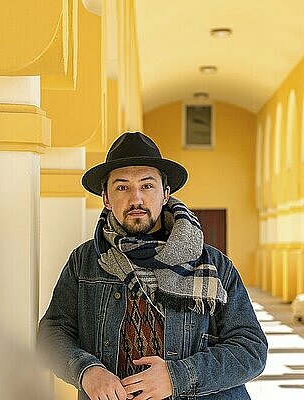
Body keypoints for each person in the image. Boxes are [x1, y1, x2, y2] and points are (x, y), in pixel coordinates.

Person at [37, 131, 267, 400]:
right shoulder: (85, 262)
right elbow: (53, 333)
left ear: (165, 194)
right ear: (106, 199)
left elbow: (250, 349)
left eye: (147, 186)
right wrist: (86, 371)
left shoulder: (214, 265)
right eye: (122, 187)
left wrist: (177, 377)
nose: (136, 199)